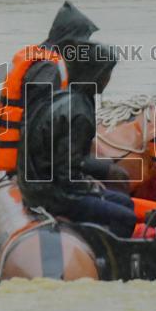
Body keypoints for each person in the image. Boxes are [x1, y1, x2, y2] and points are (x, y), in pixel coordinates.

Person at [17, 41, 139, 238]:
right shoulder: (79, 113)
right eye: (107, 73)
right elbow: (67, 173)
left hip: (36, 187)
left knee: (125, 203)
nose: (109, 79)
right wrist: (91, 186)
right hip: (54, 196)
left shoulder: (62, 97)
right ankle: (104, 259)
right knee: (125, 217)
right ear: (95, 74)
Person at [0, 1, 98, 173]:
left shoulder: (40, 56)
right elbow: (38, 119)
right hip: (26, 159)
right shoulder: (46, 67)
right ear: (71, 41)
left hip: (20, 153)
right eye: (83, 42)